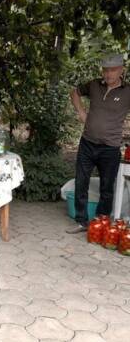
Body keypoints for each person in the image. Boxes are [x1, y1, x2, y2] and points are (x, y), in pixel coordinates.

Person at [66, 53, 130, 234]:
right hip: (87, 143)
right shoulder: (94, 85)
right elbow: (75, 93)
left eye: (113, 70)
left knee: (107, 188)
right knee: (81, 182)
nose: (108, 74)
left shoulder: (128, 92)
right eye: (106, 70)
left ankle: (100, 223)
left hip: (110, 148)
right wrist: (80, 112)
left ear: (121, 70)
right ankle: (81, 221)